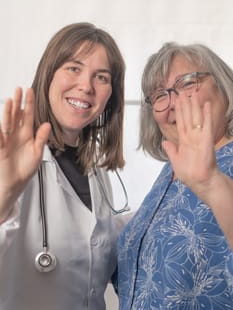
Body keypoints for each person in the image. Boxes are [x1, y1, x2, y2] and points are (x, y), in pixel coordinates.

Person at [0, 22, 127, 310]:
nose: (86, 86)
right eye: (73, 68)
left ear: (111, 95)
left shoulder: (94, 169)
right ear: (48, 74)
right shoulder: (7, 158)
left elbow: (94, 241)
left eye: (102, 77)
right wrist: (4, 195)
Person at [117, 42, 233, 309]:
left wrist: (213, 184)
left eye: (187, 82)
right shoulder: (169, 173)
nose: (174, 102)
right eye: (159, 95)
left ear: (224, 86)